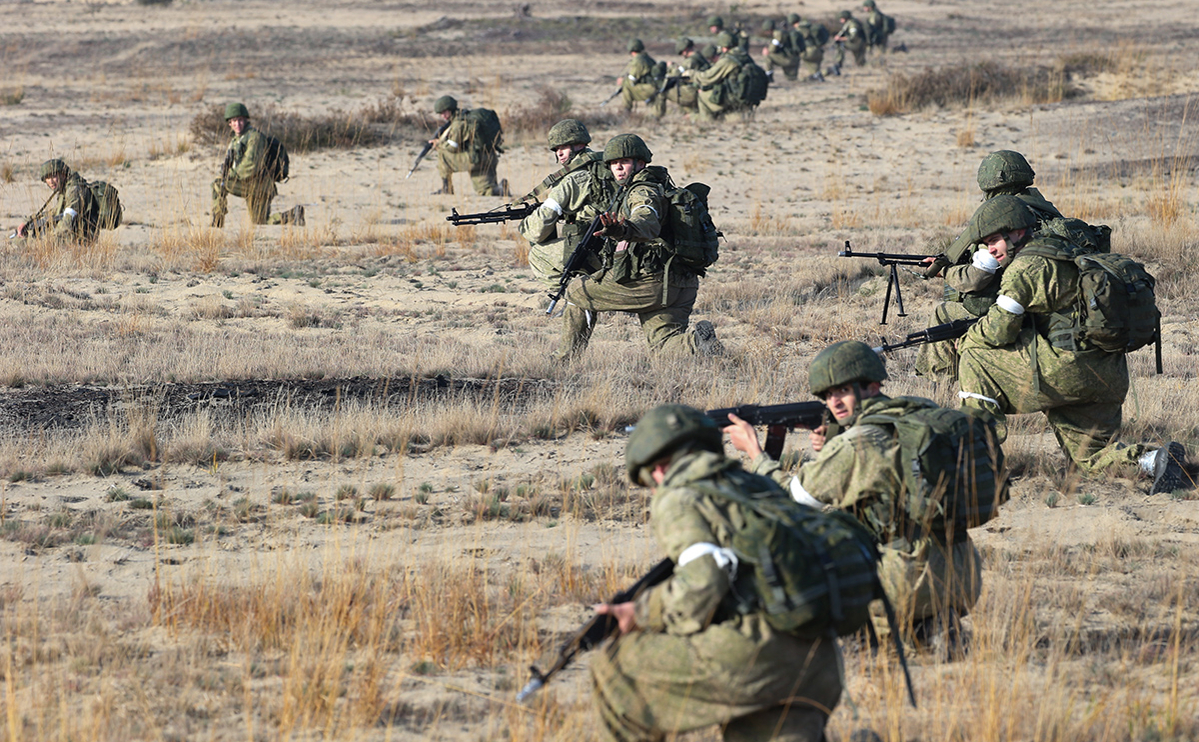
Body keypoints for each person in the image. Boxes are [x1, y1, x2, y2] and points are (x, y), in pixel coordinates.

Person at [591, 404, 843, 742]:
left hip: (760, 656)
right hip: (821, 661)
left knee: (615, 667)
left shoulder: (680, 495)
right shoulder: (757, 485)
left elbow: (705, 579)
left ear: (658, 467)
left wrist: (641, 612)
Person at [724, 341, 987, 649]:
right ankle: (932, 628)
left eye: (843, 391)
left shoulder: (857, 445)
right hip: (964, 574)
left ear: (871, 385)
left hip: (905, 581)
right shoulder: (919, 413)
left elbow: (792, 501)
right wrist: (834, 445)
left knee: (803, 537)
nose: (834, 401)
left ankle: (866, 634)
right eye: (828, 394)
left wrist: (755, 454)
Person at [955, 195, 1190, 494]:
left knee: (974, 356)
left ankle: (976, 465)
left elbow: (999, 331)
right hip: (1108, 374)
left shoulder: (1025, 267)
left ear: (1015, 232)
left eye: (994, 240)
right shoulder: (1068, 250)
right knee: (1089, 461)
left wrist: (965, 340)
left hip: (1068, 371)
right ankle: (1154, 460)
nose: (989, 249)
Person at [522, 134, 723, 361]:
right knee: (664, 345)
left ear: (640, 163)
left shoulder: (641, 191)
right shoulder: (662, 186)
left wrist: (624, 229)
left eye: (625, 162)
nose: (618, 167)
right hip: (682, 283)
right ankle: (699, 343)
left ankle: (564, 360)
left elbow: (646, 218)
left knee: (578, 291)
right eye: (613, 163)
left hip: (652, 282)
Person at [917, 150, 1064, 379]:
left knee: (943, 313)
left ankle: (940, 384)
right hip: (1046, 303)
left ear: (988, 182)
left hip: (1009, 307)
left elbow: (976, 278)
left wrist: (945, 270)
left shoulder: (1003, 216)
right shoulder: (1045, 210)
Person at [520, 120, 602, 290]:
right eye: (556, 150)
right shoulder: (604, 166)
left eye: (563, 148)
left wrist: (525, 225)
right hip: (618, 244)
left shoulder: (570, 180)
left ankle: (574, 302)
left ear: (578, 144)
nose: (559, 154)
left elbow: (538, 231)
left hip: (596, 250)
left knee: (538, 254)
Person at [211, 102, 303, 228]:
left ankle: (217, 223)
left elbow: (251, 164)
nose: (237, 124)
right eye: (234, 121)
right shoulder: (236, 140)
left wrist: (231, 174)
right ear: (229, 123)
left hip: (260, 185)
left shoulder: (255, 137)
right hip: (251, 184)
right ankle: (293, 214)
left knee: (219, 184)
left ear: (246, 120)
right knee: (260, 222)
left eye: (240, 120)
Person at [429, 95, 506, 197]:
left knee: (442, 153)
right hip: (490, 157)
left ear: (450, 110)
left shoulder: (458, 123)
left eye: (444, 112)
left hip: (476, 159)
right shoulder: (469, 116)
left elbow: (452, 147)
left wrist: (439, 145)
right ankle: (500, 189)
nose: (443, 116)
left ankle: (446, 188)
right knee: (486, 191)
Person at [11, 159, 99, 246]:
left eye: (53, 176)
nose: (51, 181)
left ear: (63, 174)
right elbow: (55, 212)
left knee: (21, 243)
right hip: (69, 236)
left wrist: (50, 242)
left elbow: (67, 221)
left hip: (79, 239)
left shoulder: (74, 190)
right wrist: (29, 221)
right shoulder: (64, 189)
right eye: (47, 178)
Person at [688, 32, 753, 121]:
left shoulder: (728, 60)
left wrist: (691, 74)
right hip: (748, 97)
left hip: (734, 97)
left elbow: (707, 77)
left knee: (702, 96)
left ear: (724, 46)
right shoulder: (745, 56)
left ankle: (707, 123)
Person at [617, 39, 665, 118]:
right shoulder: (648, 58)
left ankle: (625, 112)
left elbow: (632, 79)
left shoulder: (638, 60)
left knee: (626, 87)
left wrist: (622, 81)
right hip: (654, 87)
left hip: (649, 88)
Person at [663, 37, 709, 113]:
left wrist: (671, 67)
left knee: (663, 93)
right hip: (700, 90)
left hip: (694, 91)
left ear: (685, 50)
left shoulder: (690, 61)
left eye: (681, 53)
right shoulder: (699, 57)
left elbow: (677, 74)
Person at [828, 10, 868, 76]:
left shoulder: (853, 24)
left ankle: (839, 63)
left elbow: (853, 36)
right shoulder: (849, 23)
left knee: (840, 44)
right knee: (860, 61)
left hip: (857, 44)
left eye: (841, 18)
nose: (840, 20)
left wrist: (840, 39)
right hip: (857, 43)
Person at [790, 14, 827, 81]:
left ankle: (828, 71)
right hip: (819, 50)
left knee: (809, 65)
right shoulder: (810, 26)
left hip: (809, 51)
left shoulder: (799, 29)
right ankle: (826, 72)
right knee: (815, 68)